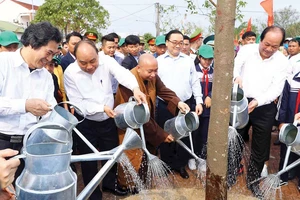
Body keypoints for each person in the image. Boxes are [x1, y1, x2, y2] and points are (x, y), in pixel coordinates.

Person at [64, 40, 146, 200]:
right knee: (89, 160)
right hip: (86, 121)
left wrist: (135, 88)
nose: (89, 66)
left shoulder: (107, 61)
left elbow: (123, 74)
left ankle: (110, 184)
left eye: (93, 61)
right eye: (83, 63)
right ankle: (93, 193)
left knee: (112, 154)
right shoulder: (70, 73)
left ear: (98, 53)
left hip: (109, 119)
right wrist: (101, 108)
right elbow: (78, 103)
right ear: (75, 58)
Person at [115, 53, 190, 191]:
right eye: (150, 71)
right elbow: (140, 117)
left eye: (156, 70)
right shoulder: (128, 83)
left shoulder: (152, 76)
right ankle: (128, 188)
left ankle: (141, 184)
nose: (154, 75)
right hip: (131, 126)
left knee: (146, 155)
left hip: (147, 122)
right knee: (132, 157)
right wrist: (161, 134)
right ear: (138, 68)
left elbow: (163, 90)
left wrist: (178, 102)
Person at [0, 21, 62, 185]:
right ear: (33, 42)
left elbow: (51, 108)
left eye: (53, 54)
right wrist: (25, 106)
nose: (49, 59)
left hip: (30, 144)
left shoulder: (46, 76)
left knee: (26, 188)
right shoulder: (3, 63)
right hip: (2, 143)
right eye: (48, 53)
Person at [233, 25, 288, 197]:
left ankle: (253, 181)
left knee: (261, 146)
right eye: (266, 44)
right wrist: (236, 76)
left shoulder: (282, 61)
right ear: (260, 39)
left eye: (274, 46)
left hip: (264, 105)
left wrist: (258, 102)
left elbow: (277, 88)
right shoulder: (246, 50)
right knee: (235, 137)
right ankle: (231, 173)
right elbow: (235, 66)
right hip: (241, 100)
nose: (269, 49)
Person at [156, 30, 203, 179]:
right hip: (165, 105)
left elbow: (195, 82)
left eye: (181, 42)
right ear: (167, 42)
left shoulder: (189, 60)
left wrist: (199, 100)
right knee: (166, 135)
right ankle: (166, 164)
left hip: (186, 104)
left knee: (183, 135)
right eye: (174, 42)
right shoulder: (158, 61)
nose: (178, 45)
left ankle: (180, 165)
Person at [188, 45, 214, 170]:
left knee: (205, 134)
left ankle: (202, 158)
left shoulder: (214, 71)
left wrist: (210, 96)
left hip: (208, 109)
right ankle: (192, 156)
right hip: (194, 107)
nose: (207, 62)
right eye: (204, 59)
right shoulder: (193, 70)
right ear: (199, 57)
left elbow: (217, 87)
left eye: (210, 59)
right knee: (193, 133)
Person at [277, 69, 300, 190]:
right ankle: (282, 177)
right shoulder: (291, 80)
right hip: (290, 122)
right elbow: (283, 102)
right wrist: (281, 121)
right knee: (285, 150)